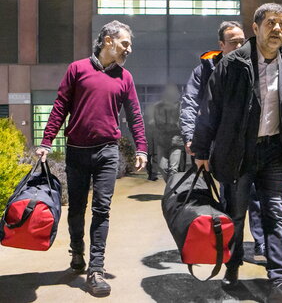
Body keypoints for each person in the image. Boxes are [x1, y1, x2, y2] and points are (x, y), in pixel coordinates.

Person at [192, 3, 282, 303]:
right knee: (236, 213)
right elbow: (210, 109)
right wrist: (202, 149)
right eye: (270, 22)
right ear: (255, 28)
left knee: (275, 213)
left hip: (274, 151)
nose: (277, 29)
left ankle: (279, 282)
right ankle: (232, 267)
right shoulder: (232, 64)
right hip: (238, 151)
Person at [35, 20, 147, 297]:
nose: (128, 49)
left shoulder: (125, 78)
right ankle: (77, 251)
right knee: (76, 208)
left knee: (102, 209)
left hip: (108, 151)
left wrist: (142, 148)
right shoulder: (77, 69)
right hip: (77, 151)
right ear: (108, 40)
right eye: (125, 43)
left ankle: (95, 268)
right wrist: (47, 141)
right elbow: (60, 106)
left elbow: (134, 115)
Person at [180, 21, 268, 261]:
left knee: (256, 195)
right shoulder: (205, 70)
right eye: (234, 42)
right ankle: (231, 244)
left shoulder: (254, 66)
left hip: (250, 143)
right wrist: (191, 137)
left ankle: (261, 243)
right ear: (221, 45)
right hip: (218, 143)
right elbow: (190, 104)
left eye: (242, 41)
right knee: (229, 196)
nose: (240, 45)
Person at [153, 84, 184, 181]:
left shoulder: (181, 106)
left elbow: (183, 123)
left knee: (173, 169)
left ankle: (170, 191)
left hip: (176, 141)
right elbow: (157, 122)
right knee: (162, 167)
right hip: (162, 140)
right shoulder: (158, 106)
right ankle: (171, 188)